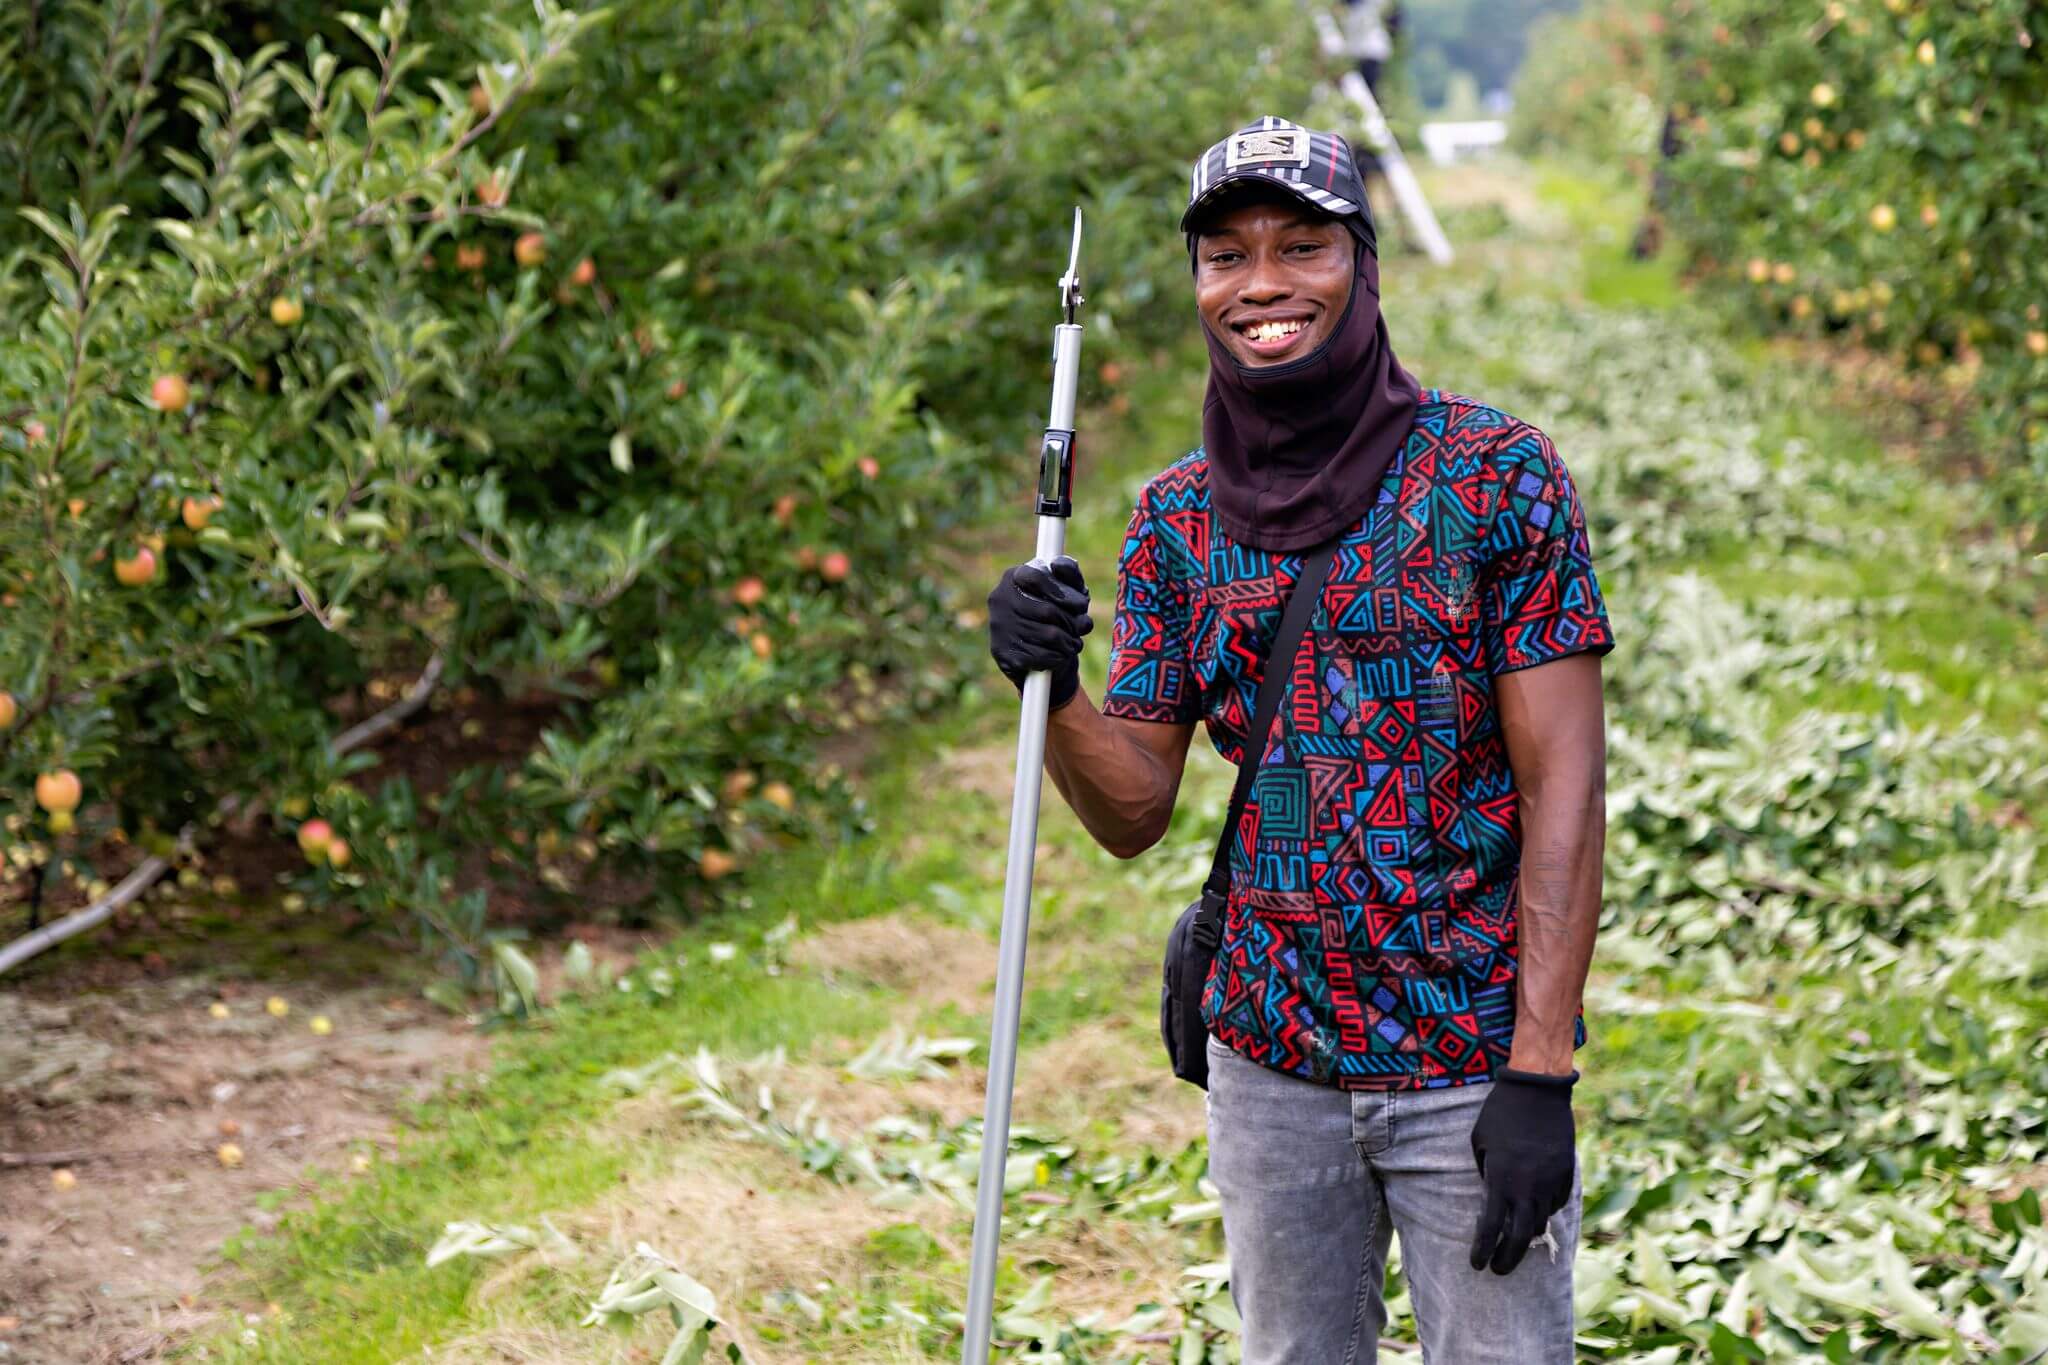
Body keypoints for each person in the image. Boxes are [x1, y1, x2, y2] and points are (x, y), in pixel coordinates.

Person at [986, 117, 1613, 1362]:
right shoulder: (1173, 521)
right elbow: (1130, 813)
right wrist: (1049, 689)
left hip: (1465, 1059)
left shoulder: (1496, 477)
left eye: (1300, 246)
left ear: (1361, 263)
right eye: (1225, 256)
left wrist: (1538, 1073)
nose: (1261, 283)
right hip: (1269, 1060)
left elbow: (1565, 791)